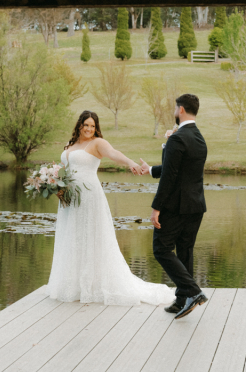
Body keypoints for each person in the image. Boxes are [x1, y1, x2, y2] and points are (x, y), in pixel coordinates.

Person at [45, 111, 177, 306]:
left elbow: (114, 153)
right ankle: (73, 285)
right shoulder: (71, 145)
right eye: (86, 125)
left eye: (92, 125)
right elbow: (64, 169)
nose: (89, 129)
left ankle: (94, 285)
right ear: (79, 125)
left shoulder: (97, 143)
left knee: (92, 237)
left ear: (96, 127)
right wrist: (53, 182)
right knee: (72, 236)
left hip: (89, 196)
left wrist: (131, 163)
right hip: (69, 199)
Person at [139, 94, 208, 319]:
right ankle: (181, 300)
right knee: (185, 251)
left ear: (180, 110)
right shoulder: (198, 137)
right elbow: (178, 168)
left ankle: (193, 291)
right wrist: (150, 169)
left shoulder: (178, 139)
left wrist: (156, 207)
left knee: (161, 249)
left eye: (175, 108)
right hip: (196, 205)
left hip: (176, 206)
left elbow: (169, 177)